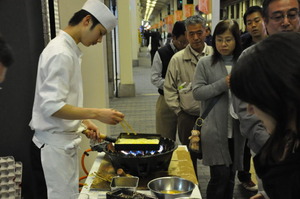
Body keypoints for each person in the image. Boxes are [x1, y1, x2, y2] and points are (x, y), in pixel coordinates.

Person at [29, 0, 125, 198]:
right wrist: (98, 113)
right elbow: (51, 106)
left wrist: (84, 122)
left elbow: (63, 101)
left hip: (61, 147)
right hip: (53, 150)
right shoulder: (60, 53)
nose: (99, 40)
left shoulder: (68, 50)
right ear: (87, 20)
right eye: (100, 33)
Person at [232, 0, 300, 198]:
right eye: (278, 17)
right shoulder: (250, 59)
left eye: (293, 15)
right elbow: (246, 115)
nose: (286, 22)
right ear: (266, 21)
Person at [192, 20, 244, 199]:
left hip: (237, 130)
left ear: (236, 40)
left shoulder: (243, 62)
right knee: (219, 176)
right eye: (219, 39)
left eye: (228, 39)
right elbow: (197, 92)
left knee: (231, 177)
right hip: (214, 129)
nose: (223, 44)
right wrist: (223, 83)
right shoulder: (205, 63)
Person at [164, 15, 213, 176]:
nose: (196, 37)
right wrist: (179, 112)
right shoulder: (177, 59)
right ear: (186, 35)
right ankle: (193, 188)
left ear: (206, 31)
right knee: (189, 160)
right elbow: (169, 89)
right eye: (191, 34)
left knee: (214, 156)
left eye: (199, 32)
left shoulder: (214, 55)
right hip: (187, 117)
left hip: (212, 117)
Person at [237, 5, 268, 193]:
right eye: (250, 22)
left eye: (257, 20)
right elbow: (241, 100)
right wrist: (260, 136)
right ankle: (245, 176)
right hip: (262, 134)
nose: (254, 25)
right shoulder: (245, 53)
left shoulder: (289, 49)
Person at [151, 21, 187, 141]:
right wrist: (172, 86)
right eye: (182, 41)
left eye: (187, 41)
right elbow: (155, 78)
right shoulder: (162, 53)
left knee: (189, 139)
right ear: (174, 38)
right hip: (166, 101)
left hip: (187, 100)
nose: (185, 45)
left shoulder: (191, 52)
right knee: (165, 139)